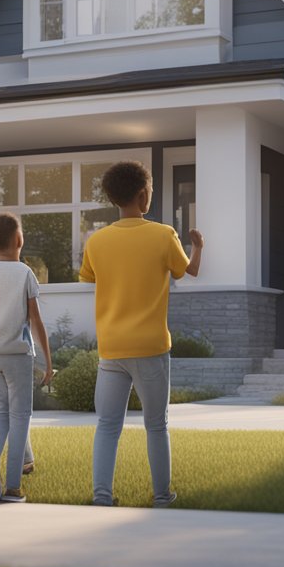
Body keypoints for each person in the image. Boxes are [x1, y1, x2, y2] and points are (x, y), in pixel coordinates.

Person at [78, 160, 203, 508]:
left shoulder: (96, 241)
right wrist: (198, 245)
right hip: (150, 346)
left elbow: (89, 279)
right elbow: (190, 270)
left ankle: (102, 496)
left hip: (112, 348)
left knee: (107, 425)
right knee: (156, 425)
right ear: (144, 195)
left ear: (113, 198)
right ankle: (162, 496)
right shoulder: (164, 235)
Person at [0, 213, 53, 503]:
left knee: (3, 410)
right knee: (20, 417)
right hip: (18, 354)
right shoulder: (24, 273)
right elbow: (36, 321)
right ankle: (13, 486)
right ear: (18, 239)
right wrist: (49, 363)